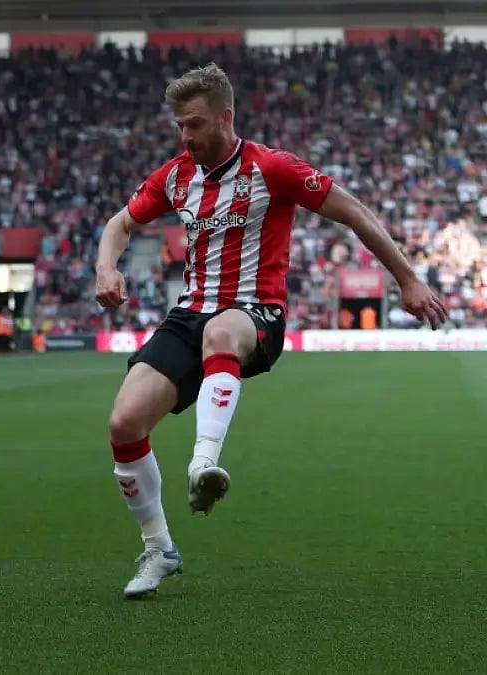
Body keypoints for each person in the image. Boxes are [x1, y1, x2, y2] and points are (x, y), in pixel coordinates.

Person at [93, 64, 448, 600]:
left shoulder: (272, 169)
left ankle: (203, 463)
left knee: (220, 332)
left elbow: (352, 211)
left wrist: (407, 279)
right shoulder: (175, 176)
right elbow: (119, 224)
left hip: (254, 315)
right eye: (179, 127)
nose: (185, 137)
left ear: (225, 118)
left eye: (194, 124)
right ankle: (158, 547)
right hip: (188, 314)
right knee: (123, 422)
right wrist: (105, 267)